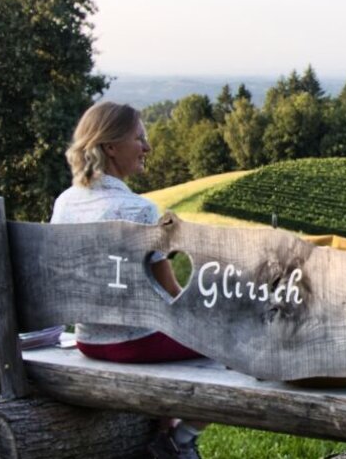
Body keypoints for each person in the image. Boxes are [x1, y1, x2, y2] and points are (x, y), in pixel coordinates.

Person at [51, 101, 207, 459]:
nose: (147, 147)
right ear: (110, 146)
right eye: (139, 138)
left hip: (88, 340)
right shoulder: (139, 210)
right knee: (229, 343)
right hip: (135, 344)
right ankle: (181, 440)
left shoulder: (66, 202)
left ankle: (163, 429)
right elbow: (173, 293)